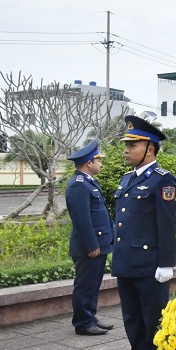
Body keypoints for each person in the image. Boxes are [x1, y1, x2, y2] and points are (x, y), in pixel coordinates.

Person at [109, 116, 176, 350]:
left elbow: (167, 224)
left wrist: (166, 263)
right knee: (133, 322)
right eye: (126, 144)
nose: (126, 149)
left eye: (132, 144)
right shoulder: (128, 179)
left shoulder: (163, 180)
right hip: (127, 264)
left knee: (153, 323)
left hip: (150, 267)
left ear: (149, 148)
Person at [65, 139, 114, 336]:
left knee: (93, 284)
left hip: (97, 244)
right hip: (89, 246)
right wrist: (92, 244)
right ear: (89, 163)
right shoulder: (78, 185)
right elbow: (82, 219)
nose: (100, 164)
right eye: (98, 160)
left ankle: (90, 317)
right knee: (85, 285)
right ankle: (83, 323)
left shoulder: (87, 182)